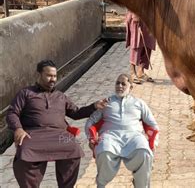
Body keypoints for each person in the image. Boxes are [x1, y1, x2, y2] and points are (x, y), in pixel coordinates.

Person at [6, 59, 108, 188]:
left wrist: (94, 106)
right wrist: (18, 129)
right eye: (49, 75)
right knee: (25, 156)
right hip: (34, 135)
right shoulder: (26, 93)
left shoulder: (61, 96)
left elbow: (76, 113)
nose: (53, 79)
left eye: (54, 76)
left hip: (60, 134)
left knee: (74, 149)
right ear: (39, 75)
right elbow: (12, 113)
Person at [85, 74, 158, 188]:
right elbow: (91, 122)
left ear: (131, 87)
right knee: (104, 152)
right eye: (117, 83)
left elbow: (152, 124)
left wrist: (154, 143)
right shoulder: (106, 102)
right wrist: (91, 138)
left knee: (144, 152)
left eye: (123, 84)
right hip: (110, 136)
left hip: (134, 136)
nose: (119, 86)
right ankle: (101, 184)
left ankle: (141, 185)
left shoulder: (139, 103)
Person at [125, 10, 156, 84]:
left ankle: (140, 71)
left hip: (150, 17)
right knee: (136, 44)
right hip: (137, 14)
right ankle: (132, 72)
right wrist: (135, 15)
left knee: (149, 43)